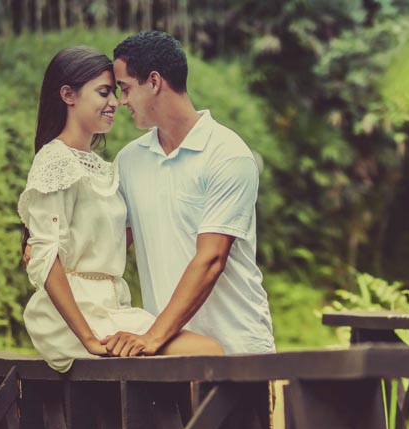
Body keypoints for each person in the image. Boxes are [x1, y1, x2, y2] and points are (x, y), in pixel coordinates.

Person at [18, 46, 224, 371]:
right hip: (72, 318)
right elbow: (47, 260)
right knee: (206, 351)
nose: (115, 102)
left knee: (201, 352)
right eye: (104, 92)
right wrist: (88, 339)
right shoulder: (54, 161)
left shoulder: (104, 168)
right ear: (68, 95)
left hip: (113, 307)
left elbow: (113, 237)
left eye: (115, 92)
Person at [102, 31, 276, 358]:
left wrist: (152, 336)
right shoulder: (128, 161)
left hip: (237, 351)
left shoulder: (227, 155)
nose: (121, 101)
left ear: (154, 82)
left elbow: (211, 259)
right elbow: (108, 244)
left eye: (125, 88)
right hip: (170, 352)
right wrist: (50, 243)